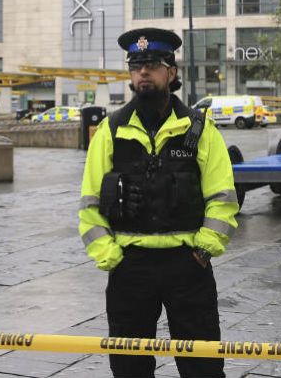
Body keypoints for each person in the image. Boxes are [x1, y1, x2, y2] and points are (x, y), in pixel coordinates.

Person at [78, 27, 238, 378]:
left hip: (188, 266)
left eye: (152, 64)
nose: (143, 72)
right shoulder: (111, 129)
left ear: (172, 72)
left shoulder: (199, 129)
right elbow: (89, 203)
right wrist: (109, 255)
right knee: (129, 368)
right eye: (136, 66)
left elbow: (222, 197)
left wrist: (204, 250)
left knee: (203, 368)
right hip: (130, 268)